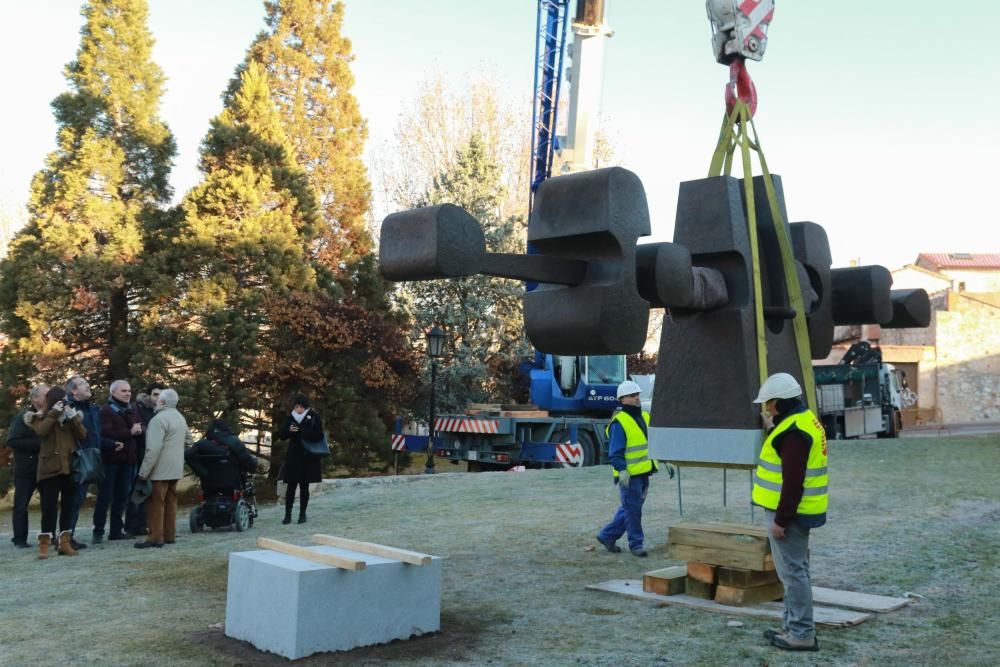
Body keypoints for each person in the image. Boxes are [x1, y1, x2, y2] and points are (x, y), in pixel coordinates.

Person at [751, 372, 828, 653]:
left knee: (793, 574)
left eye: (769, 404)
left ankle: (801, 634)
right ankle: (793, 627)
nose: (767, 409)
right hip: (802, 511)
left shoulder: (794, 434)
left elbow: (793, 481)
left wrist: (781, 520)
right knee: (796, 572)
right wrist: (773, 428)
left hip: (790, 515)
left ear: (781, 403)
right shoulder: (803, 421)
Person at [596, 380, 657, 557]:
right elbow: (615, 452)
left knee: (630, 508)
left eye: (637, 394)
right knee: (633, 510)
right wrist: (622, 470)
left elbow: (652, 443)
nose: (636, 398)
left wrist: (664, 460)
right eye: (631, 396)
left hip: (644, 471)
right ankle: (636, 544)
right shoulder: (619, 423)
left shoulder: (645, 416)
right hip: (629, 475)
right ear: (622, 400)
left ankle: (607, 536)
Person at [26, 387, 87, 558]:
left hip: (69, 468)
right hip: (49, 469)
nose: (64, 402)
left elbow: (83, 435)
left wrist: (73, 417)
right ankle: (44, 546)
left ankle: (65, 544)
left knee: (68, 507)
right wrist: (53, 413)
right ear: (52, 401)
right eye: (61, 400)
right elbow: (41, 432)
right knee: (48, 508)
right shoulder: (40, 417)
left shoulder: (69, 419)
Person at [135, 388, 187, 549]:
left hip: (160, 469)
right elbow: (189, 440)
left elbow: (153, 449)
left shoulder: (158, 420)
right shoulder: (180, 418)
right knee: (171, 502)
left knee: (156, 503)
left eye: (158, 399)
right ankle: (169, 535)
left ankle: (155, 537)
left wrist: (144, 472)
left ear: (162, 402)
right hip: (176, 468)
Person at [93, 380, 143, 543]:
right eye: (123, 391)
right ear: (113, 393)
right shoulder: (106, 411)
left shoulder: (132, 410)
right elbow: (106, 432)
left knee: (122, 496)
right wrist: (129, 432)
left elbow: (139, 428)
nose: (128, 393)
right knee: (105, 497)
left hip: (128, 460)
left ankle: (116, 530)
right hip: (111, 461)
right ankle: (98, 531)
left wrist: (140, 430)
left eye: (129, 390)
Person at [6, 383, 49, 548]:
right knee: (21, 505)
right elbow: (13, 440)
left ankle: (48, 535)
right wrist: (41, 445)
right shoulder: (24, 416)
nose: (48, 399)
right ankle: (19, 539)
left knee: (48, 504)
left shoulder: (51, 416)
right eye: (45, 396)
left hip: (47, 467)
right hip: (26, 469)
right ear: (34, 398)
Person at [276, 395, 323, 525]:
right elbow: (282, 435)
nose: (298, 410)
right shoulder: (290, 417)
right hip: (293, 456)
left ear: (306, 407)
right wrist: (289, 431)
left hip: (308, 456)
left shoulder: (314, 416)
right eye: (296, 407)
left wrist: (301, 431)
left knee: (304, 486)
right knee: (290, 486)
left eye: (301, 407)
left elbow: (318, 435)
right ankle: (287, 515)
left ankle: (302, 514)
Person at [66, 375, 101, 550]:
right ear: (73, 391)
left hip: (92, 460)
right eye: (82, 384)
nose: (88, 385)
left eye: (88, 382)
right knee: (73, 500)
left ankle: (68, 536)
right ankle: (65, 538)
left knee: (78, 500)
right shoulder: (69, 409)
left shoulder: (94, 410)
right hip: (76, 461)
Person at [125, 382, 164, 536]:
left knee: (151, 493)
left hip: (155, 455)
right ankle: (131, 525)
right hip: (141, 455)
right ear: (148, 395)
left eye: (161, 395)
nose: (158, 398)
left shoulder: (161, 411)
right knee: (138, 491)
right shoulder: (139, 409)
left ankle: (143, 524)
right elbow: (141, 430)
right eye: (155, 394)